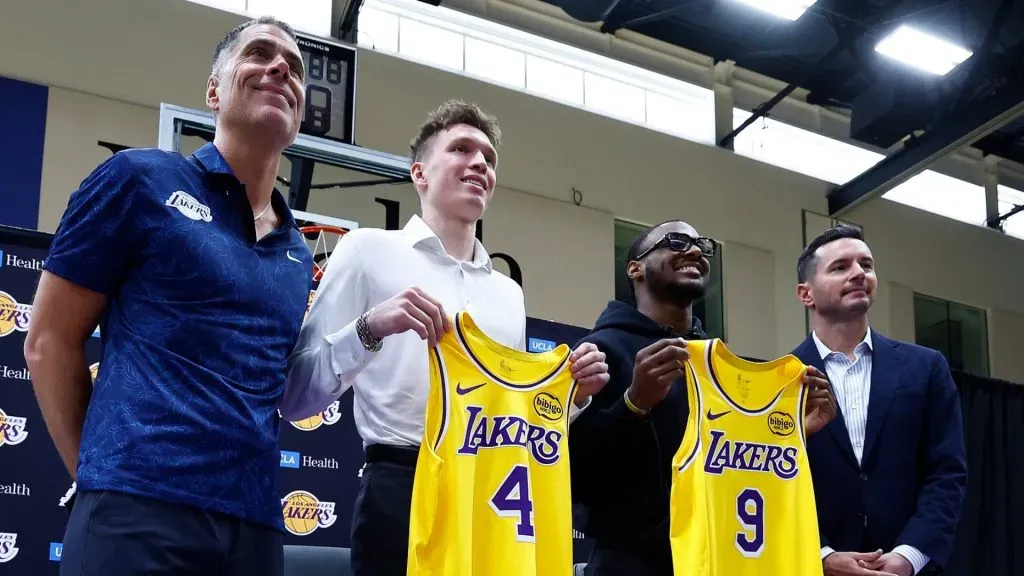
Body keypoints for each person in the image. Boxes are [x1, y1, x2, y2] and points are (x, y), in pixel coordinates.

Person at [24, 16, 312, 575]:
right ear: (213, 91)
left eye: (295, 69)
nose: (281, 68)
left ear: (298, 117)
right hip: (135, 511)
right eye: (258, 54)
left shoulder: (298, 253)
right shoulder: (138, 179)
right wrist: (102, 479)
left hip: (254, 529)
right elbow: (48, 340)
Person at [281, 98, 611, 576]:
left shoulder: (507, 294)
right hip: (401, 484)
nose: (480, 163)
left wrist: (574, 397)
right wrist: (369, 329)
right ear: (419, 173)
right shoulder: (366, 251)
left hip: (493, 490)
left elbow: (513, 418)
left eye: (489, 158)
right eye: (460, 149)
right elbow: (295, 397)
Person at [569, 219, 837, 576]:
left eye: (702, 245)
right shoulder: (598, 351)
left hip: (715, 558)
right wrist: (634, 403)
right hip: (630, 563)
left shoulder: (717, 362)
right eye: (676, 242)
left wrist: (792, 435)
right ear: (635, 268)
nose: (695, 250)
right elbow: (577, 478)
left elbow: (734, 469)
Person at [791, 225, 968, 576]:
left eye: (866, 264)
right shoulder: (779, 381)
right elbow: (771, 484)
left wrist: (910, 556)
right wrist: (820, 556)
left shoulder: (926, 367)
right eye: (840, 267)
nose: (859, 273)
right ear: (806, 294)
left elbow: (946, 473)